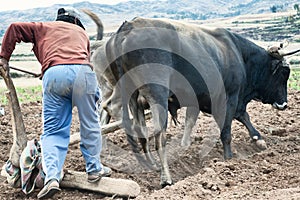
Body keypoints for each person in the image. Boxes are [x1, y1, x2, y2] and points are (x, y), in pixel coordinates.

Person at [0, 7, 111, 199]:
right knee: (90, 124)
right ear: (75, 23)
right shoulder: (81, 33)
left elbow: (14, 27)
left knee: (53, 131)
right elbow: (79, 60)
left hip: (54, 75)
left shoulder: (44, 27)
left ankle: (51, 177)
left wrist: (3, 57)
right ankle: (94, 170)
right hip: (84, 74)